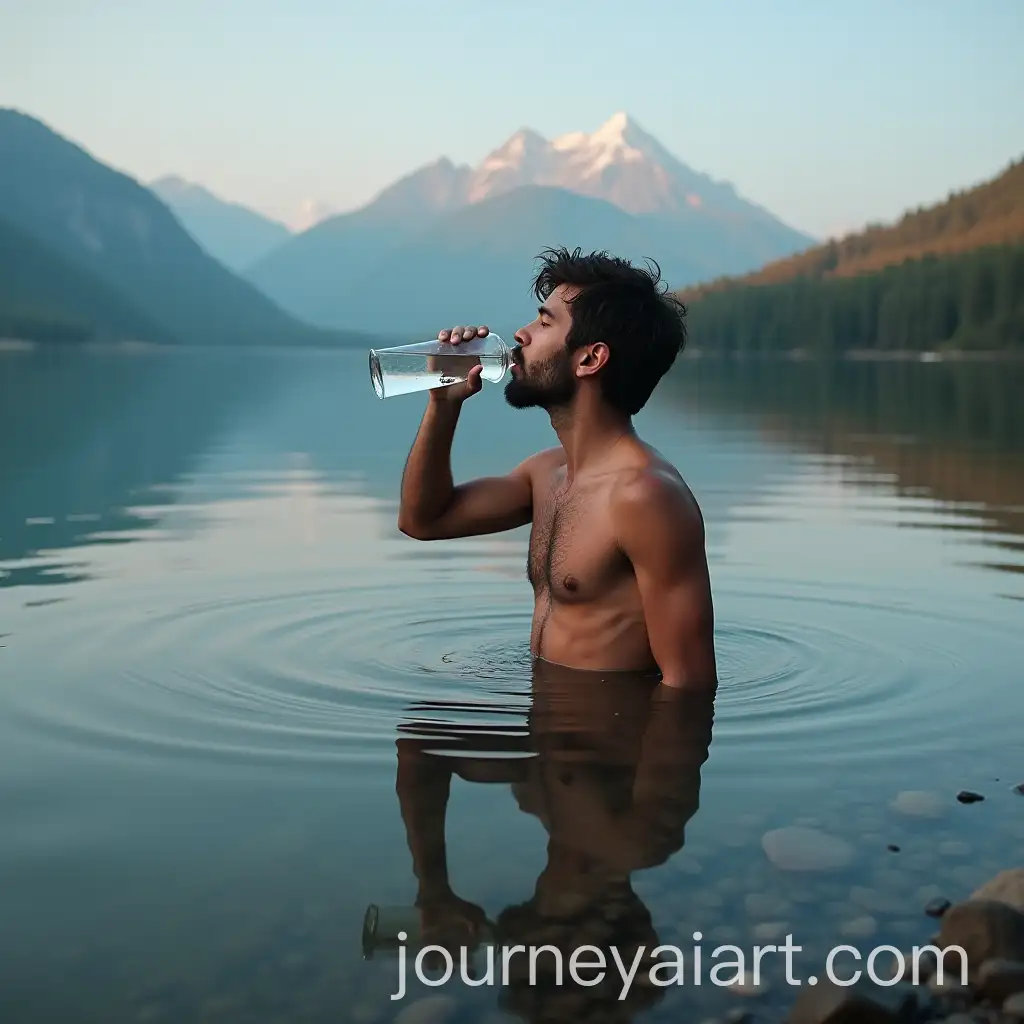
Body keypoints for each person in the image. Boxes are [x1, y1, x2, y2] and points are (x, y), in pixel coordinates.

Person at [397, 247, 716, 691]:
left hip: (603, 748)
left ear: (590, 359)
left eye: (544, 322)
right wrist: (442, 404)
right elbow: (423, 521)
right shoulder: (546, 474)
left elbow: (689, 685)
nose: (521, 336)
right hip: (543, 738)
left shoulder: (646, 497)